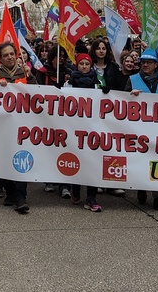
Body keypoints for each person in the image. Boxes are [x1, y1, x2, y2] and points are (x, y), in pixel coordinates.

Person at [0, 42, 30, 213]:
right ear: (0, 58)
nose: (10, 57)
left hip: (23, 126)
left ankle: (20, 196)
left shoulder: (26, 73)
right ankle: (10, 192)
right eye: (6, 55)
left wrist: (31, 77)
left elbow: (39, 94)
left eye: (12, 54)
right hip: (1, 126)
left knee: (21, 158)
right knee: (4, 159)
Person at [129, 49, 158, 212]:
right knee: (141, 159)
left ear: (156, 64)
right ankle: (141, 186)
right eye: (143, 62)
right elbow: (120, 102)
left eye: (149, 62)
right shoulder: (132, 79)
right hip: (139, 129)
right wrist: (129, 96)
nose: (145, 65)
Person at [64, 53, 104, 212]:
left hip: (93, 129)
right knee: (76, 160)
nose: (84, 67)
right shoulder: (69, 84)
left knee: (93, 162)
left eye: (87, 64)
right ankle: (75, 190)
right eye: (81, 64)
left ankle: (91, 198)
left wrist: (107, 93)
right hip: (75, 128)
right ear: (77, 65)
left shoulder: (97, 83)